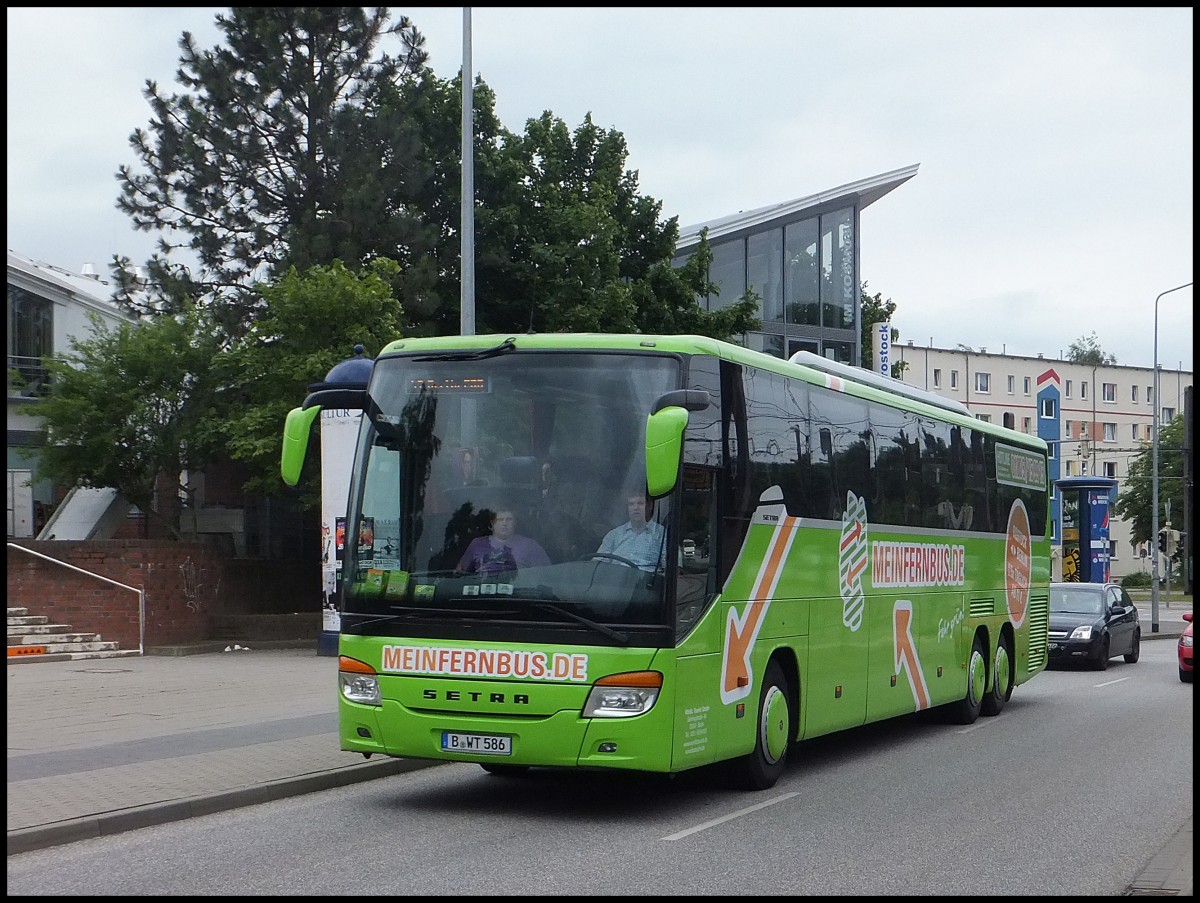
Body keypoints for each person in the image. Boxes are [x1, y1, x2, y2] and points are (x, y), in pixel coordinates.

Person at [457, 506, 550, 578]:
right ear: (492, 523)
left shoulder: (530, 545)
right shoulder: (477, 544)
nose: (504, 523)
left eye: (509, 519)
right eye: (500, 519)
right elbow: (460, 574)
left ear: (514, 522)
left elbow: (545, 575)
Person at [595, 491, 667, 573]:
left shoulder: (662, 534)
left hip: (647, 579)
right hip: (616, 578)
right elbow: (597, 565)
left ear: (650, 506)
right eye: (631, 504)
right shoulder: (614, 535)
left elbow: (672, 569)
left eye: (640, 503)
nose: (635, 508)